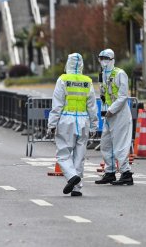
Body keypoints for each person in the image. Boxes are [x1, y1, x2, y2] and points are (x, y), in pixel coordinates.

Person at [47, 53, 98, 196]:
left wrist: (51, 124)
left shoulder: (63, 80)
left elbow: (57, 105)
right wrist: (94, 125)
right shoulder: (87, 81)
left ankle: (71, 176)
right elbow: (92, 106)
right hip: (83, 121)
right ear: (81, 65)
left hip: (66, 120)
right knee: (79, 156)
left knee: (63, 153)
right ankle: (77, 188)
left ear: (68, 64)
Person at [95, 49, 134, 185]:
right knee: (105, 144)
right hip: (108, 115)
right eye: (100, 58)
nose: (102, 61)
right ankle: (110, 172)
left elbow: (123, 96)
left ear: (111, 59)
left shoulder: (120, 74)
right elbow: (103, 94)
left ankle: (126, 173)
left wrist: (111, 110)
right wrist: (105, 111)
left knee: (120, 145)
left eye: (105, 58)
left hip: (120, 114)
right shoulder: (102, 75)